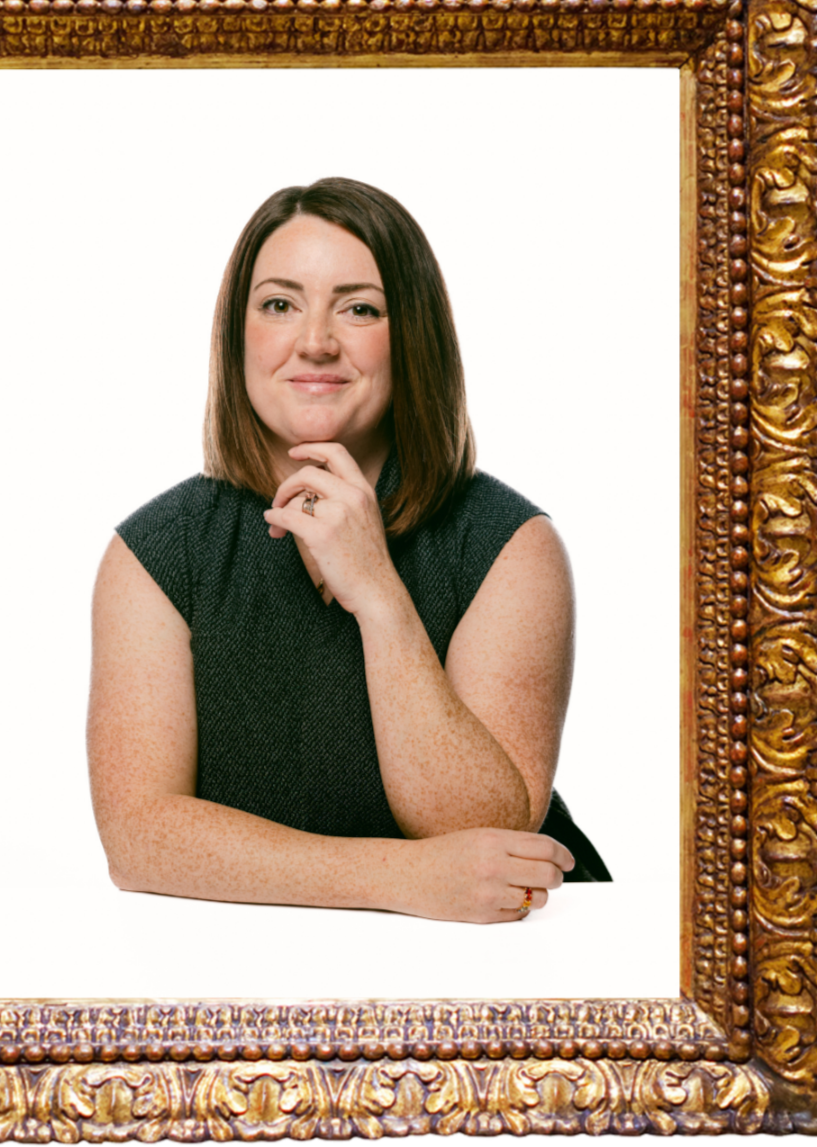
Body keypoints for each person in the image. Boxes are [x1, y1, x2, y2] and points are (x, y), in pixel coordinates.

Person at [87, 176, 610, 926]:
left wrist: (378, 595)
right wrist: (399, 877)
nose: (315, 341)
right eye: (278, 304)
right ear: (238, 334)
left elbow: (482, 825)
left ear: (413, 337)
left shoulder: (512, 544)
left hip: (511, 957)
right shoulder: (154, 554)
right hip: (269, 967)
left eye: (359, 307)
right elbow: (139, 837)